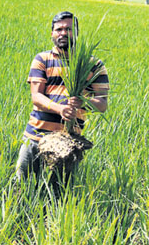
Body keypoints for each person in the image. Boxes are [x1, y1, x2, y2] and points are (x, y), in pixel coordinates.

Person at [15, 11, 109, 185]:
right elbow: (36, 97)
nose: (63, 33)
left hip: (69, 142)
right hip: (36, 136)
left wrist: (83, 102)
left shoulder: (93, 65)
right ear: (52, 34)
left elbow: (102, 104)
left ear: (77, 32)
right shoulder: (42, 59)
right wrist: (60, 109)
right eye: (59, 29)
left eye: (69, 29)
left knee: (60, 191)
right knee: (22, 185)